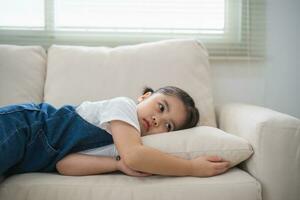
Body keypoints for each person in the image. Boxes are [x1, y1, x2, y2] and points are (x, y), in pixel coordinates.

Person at [0, 86, 230, 177]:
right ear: (144, 97)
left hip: (26, 156)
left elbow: (64, 164)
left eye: (168, 126)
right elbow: (136, 156)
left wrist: (116, 164)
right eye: (160, 107)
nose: (156, 119)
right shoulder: (123, 107)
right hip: (25, 126)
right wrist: (191, 168)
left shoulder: (121, 145)